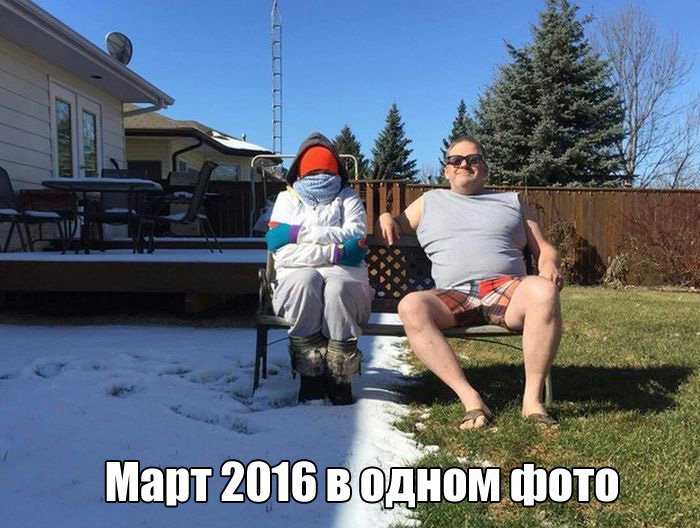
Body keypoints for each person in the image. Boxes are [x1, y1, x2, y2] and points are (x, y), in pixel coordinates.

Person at [378, 136, 563, 429]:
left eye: (473, 159)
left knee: (544, 291)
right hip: (453, 294)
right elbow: (395, 225)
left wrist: (549, 263)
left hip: (508, 289)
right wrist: (386, 216)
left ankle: (532, 401)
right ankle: (471, 399)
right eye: (455, 160)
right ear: (446, 171)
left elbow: (544, 247)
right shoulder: (429, 202)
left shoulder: (512, 201)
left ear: (485, 168)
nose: (464, 164)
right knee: (411, 306)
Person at [265, 132, 374, 405]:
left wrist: (296, 233)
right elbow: (283, 253)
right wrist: (336, 252)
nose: (321, 176)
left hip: (348, 280)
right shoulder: (287, 200)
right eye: (314, 170)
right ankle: (310, 375)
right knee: (305, 280)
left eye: (326, 169)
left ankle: (341, 377)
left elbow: (356, 236)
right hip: (296, 278)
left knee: (338, 287)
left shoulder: (348, 197)